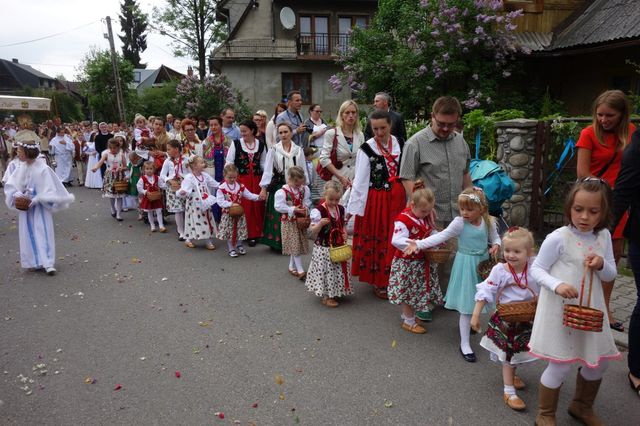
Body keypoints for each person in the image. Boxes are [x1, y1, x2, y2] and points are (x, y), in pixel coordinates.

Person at [529, 178, 621, 425]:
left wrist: (602, 264)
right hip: (561, 311)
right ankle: (545, 414)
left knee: (598, 364)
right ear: (569, 207)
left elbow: (611, 273)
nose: (584, 217)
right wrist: (557, 284)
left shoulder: (603, 237)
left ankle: (581, 406)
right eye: (578, 209)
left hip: (590, 310)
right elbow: (536, 269)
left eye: (593, 211)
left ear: (603, 213)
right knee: (559, 365)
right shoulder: (558, 238)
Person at [405, 187, 500, 362]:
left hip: (483, 266)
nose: (464, 213)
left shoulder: (489, 221)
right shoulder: (459, 223)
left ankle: (474, 322)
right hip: (465, 266)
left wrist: (496, 245)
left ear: (482, 209)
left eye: (469, 209)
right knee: (466, 305)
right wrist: (418, 244)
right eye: (462, 209)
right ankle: (465, 344)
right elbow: (441, 236)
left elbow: (495, 237)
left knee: (479, 299)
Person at [400, 95, 472, 321]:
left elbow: (465, 174)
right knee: (426, 260)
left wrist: (471, 200)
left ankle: (442, 296)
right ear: (432, 116)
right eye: (441, 123)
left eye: (450, 125)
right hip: (427, 214)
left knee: (450, 257)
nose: (445, 129)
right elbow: (406, 178)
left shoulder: (460, 141)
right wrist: (422, 207)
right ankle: (422, 302)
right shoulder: (415, 143)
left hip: (456, 212)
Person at [576, 89, 635, 332]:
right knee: (588, 253)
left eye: (609, 115)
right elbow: (582, 173)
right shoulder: (588, 133)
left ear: (622, 114)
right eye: (599, 114)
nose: (603, 120)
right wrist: (603, 192)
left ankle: (605, 307)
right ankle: (581, 302)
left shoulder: (631, 133)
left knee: (613, 254)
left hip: (621, 203)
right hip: (596, 201)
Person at [470, 227, 539, 411]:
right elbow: (486, 291)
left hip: (527, 317)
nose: (511, 255)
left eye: (517, 251)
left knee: (518, 352)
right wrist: (476, 315)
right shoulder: (500, 270)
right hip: (507, 320)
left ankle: (512, 374)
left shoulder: (534, 266)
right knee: (509, 355)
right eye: (507, 250)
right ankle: (508, 391)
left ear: (529, 252)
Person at [346, 109, 405, 300]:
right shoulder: (367, 148)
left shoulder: (402, 144)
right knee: (381, 236)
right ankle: (379, 279)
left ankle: (397, 277)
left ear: (390, 126)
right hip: (377, 201)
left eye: (383, 128)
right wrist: (354, 210)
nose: (379, 133)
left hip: (399, 198)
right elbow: (361, 181)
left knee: (399, 236)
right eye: (375, 129)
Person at [3, 130, 74, 275]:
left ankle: (47, 262)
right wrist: (17, 194)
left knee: (42, 232)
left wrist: (36, 199)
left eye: (20, 151)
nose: (18, 154)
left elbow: (49, 189)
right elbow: (12, 185)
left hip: (40, 208)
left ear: (28, 153)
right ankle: (33, 261)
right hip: (26, 209)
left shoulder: (43, 168)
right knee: (28, 234)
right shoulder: (20, 168)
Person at [388, 180, 440, 334]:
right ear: (412, 205)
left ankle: (408, 316)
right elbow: (396, 240)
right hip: (407, 263)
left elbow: (429, 232)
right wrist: (419, 243)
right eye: (424, 211)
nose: (426, 214)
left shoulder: (422, 217)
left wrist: (437, 239)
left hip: (419, 263)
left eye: (428, 211)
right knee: (409, 292)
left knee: (415, 291)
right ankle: (409, 321)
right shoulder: (403, 220)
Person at [612, 127, 640, 398]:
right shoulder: (638, 144)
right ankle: (637, 370)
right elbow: (623, 190)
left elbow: (610, 270)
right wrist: (602, 231)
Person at [259, 122, 309, 251]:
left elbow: (303, 169)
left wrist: (305, 186)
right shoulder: (274, 149)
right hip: (280, 186)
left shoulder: (298, 150)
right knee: (280, 215)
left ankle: (294, 242)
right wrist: (264, 188)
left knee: (294, 213)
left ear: (291, 133)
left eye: (285, 132)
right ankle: (278, 244)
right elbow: (268, 170)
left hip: (296, 185)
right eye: (280, 132)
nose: (283, 135)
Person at [305, 180, 352, 307]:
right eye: (331, 199)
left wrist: (344, 233)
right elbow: (312, 232)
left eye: (337, 199)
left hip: (338, 246)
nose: (334, 202)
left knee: (336, 270)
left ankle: (335, 291)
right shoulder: (318, 211)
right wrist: (320, 224)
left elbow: (342, 225)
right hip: (324, 247)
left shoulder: (341, 209)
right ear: (324, 195)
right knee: (326, 271)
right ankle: (326, 296)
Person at [225, 119, 267, 245]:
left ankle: (256, 233)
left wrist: (265, 182)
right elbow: (229, 162)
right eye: (241, 131)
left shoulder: (260, 145)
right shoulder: (236, 144)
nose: (242, 133)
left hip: (257, 180)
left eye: (245, 131)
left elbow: (263, 163)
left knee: (257, 206)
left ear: (252, 130)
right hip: (241, 180)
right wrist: (229, 180)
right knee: (245, 206)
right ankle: (244, 233)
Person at [319, 100, 365, 197]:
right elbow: (324, 158)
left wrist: (358, 178)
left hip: (355, 181)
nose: (351, 115)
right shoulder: (331, 133)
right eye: (347, 112)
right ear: (341, 115)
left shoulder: (360, 135)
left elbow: (362, 159)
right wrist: (340, 177)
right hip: (336, 180)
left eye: (353, 112)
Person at [274, 166, 312, 279]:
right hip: (289, 222)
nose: (299, 186)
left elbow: (306, 201)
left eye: (300, 183)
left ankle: (291, 267)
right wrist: (293, 209)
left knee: (296, 245)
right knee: (295, 245)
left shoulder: (303, 189)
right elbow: (278, 206)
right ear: (289, 179)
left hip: (300, 221)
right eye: (297, 184)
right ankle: (300, 271)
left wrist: (305, 208)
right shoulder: (282, 192)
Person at [216, 164, 260, 257]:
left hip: (239, 213)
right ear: (224, 175)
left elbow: (249, 195)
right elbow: (220, 202)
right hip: (228, 214)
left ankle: (239, 244)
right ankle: (231, 248)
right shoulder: (222, 188)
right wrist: (231, 204)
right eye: (230, 177)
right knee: (230, 231)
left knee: (241, 230)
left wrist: (258, 197)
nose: (232, 179)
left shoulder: (240, 186)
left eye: (234, 177)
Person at [177, 155, 219, 250]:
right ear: (195, 166)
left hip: (205, 201)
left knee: (207, 219)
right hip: (194, 204)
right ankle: (188, 239)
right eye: (201, 163)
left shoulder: (205, 175)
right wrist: (182, 192)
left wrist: (224, 186)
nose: (204, 164)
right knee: (195, 221)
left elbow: (215, 184)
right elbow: (184, 190)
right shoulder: (189, 177)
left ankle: (208, 240)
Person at [91, 137, 127, 221]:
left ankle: (118, 214)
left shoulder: (121, 155)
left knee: (119, 195)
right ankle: (112, 208)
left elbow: (125, 166)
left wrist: (122, 168)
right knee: (112, 195)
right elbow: (100, 162)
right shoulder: (106, 154)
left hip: (119, 176)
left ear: (118, 147)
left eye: (114, 148)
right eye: (110, 148)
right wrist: (95, 168)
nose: (112, 149)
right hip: (110, 176)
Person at [160, 140, 189, 240]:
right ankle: (181, 231)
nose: (167, 151)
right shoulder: (167, 161)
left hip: (184, 185)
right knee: (178, 209)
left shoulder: (186, 159)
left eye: (169, 149)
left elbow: (189, 172)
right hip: (172, 186)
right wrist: (169, 180)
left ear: (176, 149)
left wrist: (186, 179)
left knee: (186, 208)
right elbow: (162, 175)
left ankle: (188, 229)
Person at [137, 160, 166, 233]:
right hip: (148, 197)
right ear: (144, 170)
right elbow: (139, 187)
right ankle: (152, 225)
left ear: (154, 169)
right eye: (147, 169)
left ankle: (161, 225)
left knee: (159, 211)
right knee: (149, 212)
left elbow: (162, 185)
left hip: (156, 197)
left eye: (150, 169)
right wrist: (145, 192)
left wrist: (167, 186)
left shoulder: (157, 178)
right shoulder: (142, 179)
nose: (149, 171)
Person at [127, 151, 144, 221]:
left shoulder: (140, 166)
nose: (132, 162)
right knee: (135, 199)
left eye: (133, 160)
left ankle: (142, 213)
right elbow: (129, 170)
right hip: (133, 184)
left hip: (140, 184)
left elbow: (142, 173)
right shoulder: (131, 165)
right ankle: (140, 212)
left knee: (141, 199)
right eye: (131, 160)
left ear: (138, 158)